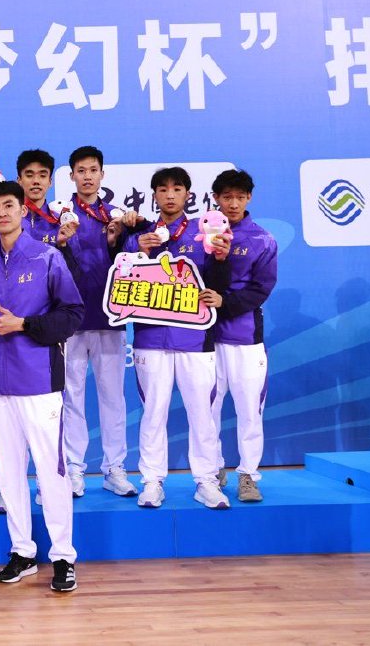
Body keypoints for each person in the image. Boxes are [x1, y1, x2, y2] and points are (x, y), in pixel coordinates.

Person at [0, 181, 84, 593]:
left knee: (51, 470)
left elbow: (72, 314)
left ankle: (63, 556)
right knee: (8, 472)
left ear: (23, 210)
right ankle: (22, 552)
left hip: (38, 381)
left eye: (8, 206)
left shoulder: (48, 257)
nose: (1, 213)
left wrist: (24, 325)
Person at [124, 167, 232, 510]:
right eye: (163, 189)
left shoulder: (206, 232)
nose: (169, 195)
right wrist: (136, 252)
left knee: (203, 414)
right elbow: (120, 281)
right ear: (154, 195)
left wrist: (221, 258)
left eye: (177, 188)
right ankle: (152, 481)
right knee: (152, 413)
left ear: (188, 194)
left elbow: (219, 282)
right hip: (150, 339)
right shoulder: (140, 235)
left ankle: (206, 481)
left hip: (195, 339)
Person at [61, 146, 139, 497]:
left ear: (102, 175)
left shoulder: (117, 217)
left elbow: (130, 263)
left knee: (112, 398)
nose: (87, 176)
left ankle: (114, 469)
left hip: (110, 319)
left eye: (93, 170)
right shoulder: (60, 216)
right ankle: (74, 469)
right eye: (81, 170)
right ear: (71, 176)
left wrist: (115, 241)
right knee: (71, 398)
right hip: (71, 320)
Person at [209, 170, 278, 503]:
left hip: (245, 339)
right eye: (227, 197)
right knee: (206, 410)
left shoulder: (262, 239)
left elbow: (261, 288)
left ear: (249, 197)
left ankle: (248, 475)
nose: (233, 204)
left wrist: (225, 303)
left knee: (250, 410)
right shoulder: (200, 234)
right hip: (205, 340)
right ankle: (212, 469)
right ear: (216, 199)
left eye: (239, 197)